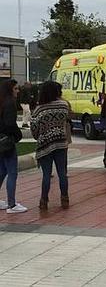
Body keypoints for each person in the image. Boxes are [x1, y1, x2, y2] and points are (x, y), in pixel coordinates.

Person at [30, 81, 70, 211]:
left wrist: (40, 135)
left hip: (45, 144)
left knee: (46, 174)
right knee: (62, 173)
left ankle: (44, 201)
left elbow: (34, 129)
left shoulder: (39, 109)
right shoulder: (64, 105)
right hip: (61, 143)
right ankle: (65, 199)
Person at [0, 79, 26, 213]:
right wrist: (18, 135)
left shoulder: (2, 102)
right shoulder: (10, 103)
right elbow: (10, 124)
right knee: (12, 172)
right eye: (16, 89)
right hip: (7, 142)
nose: (18, 91)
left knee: (2, 171)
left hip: (1, 141)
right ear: (10, 90)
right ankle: (12, 204)